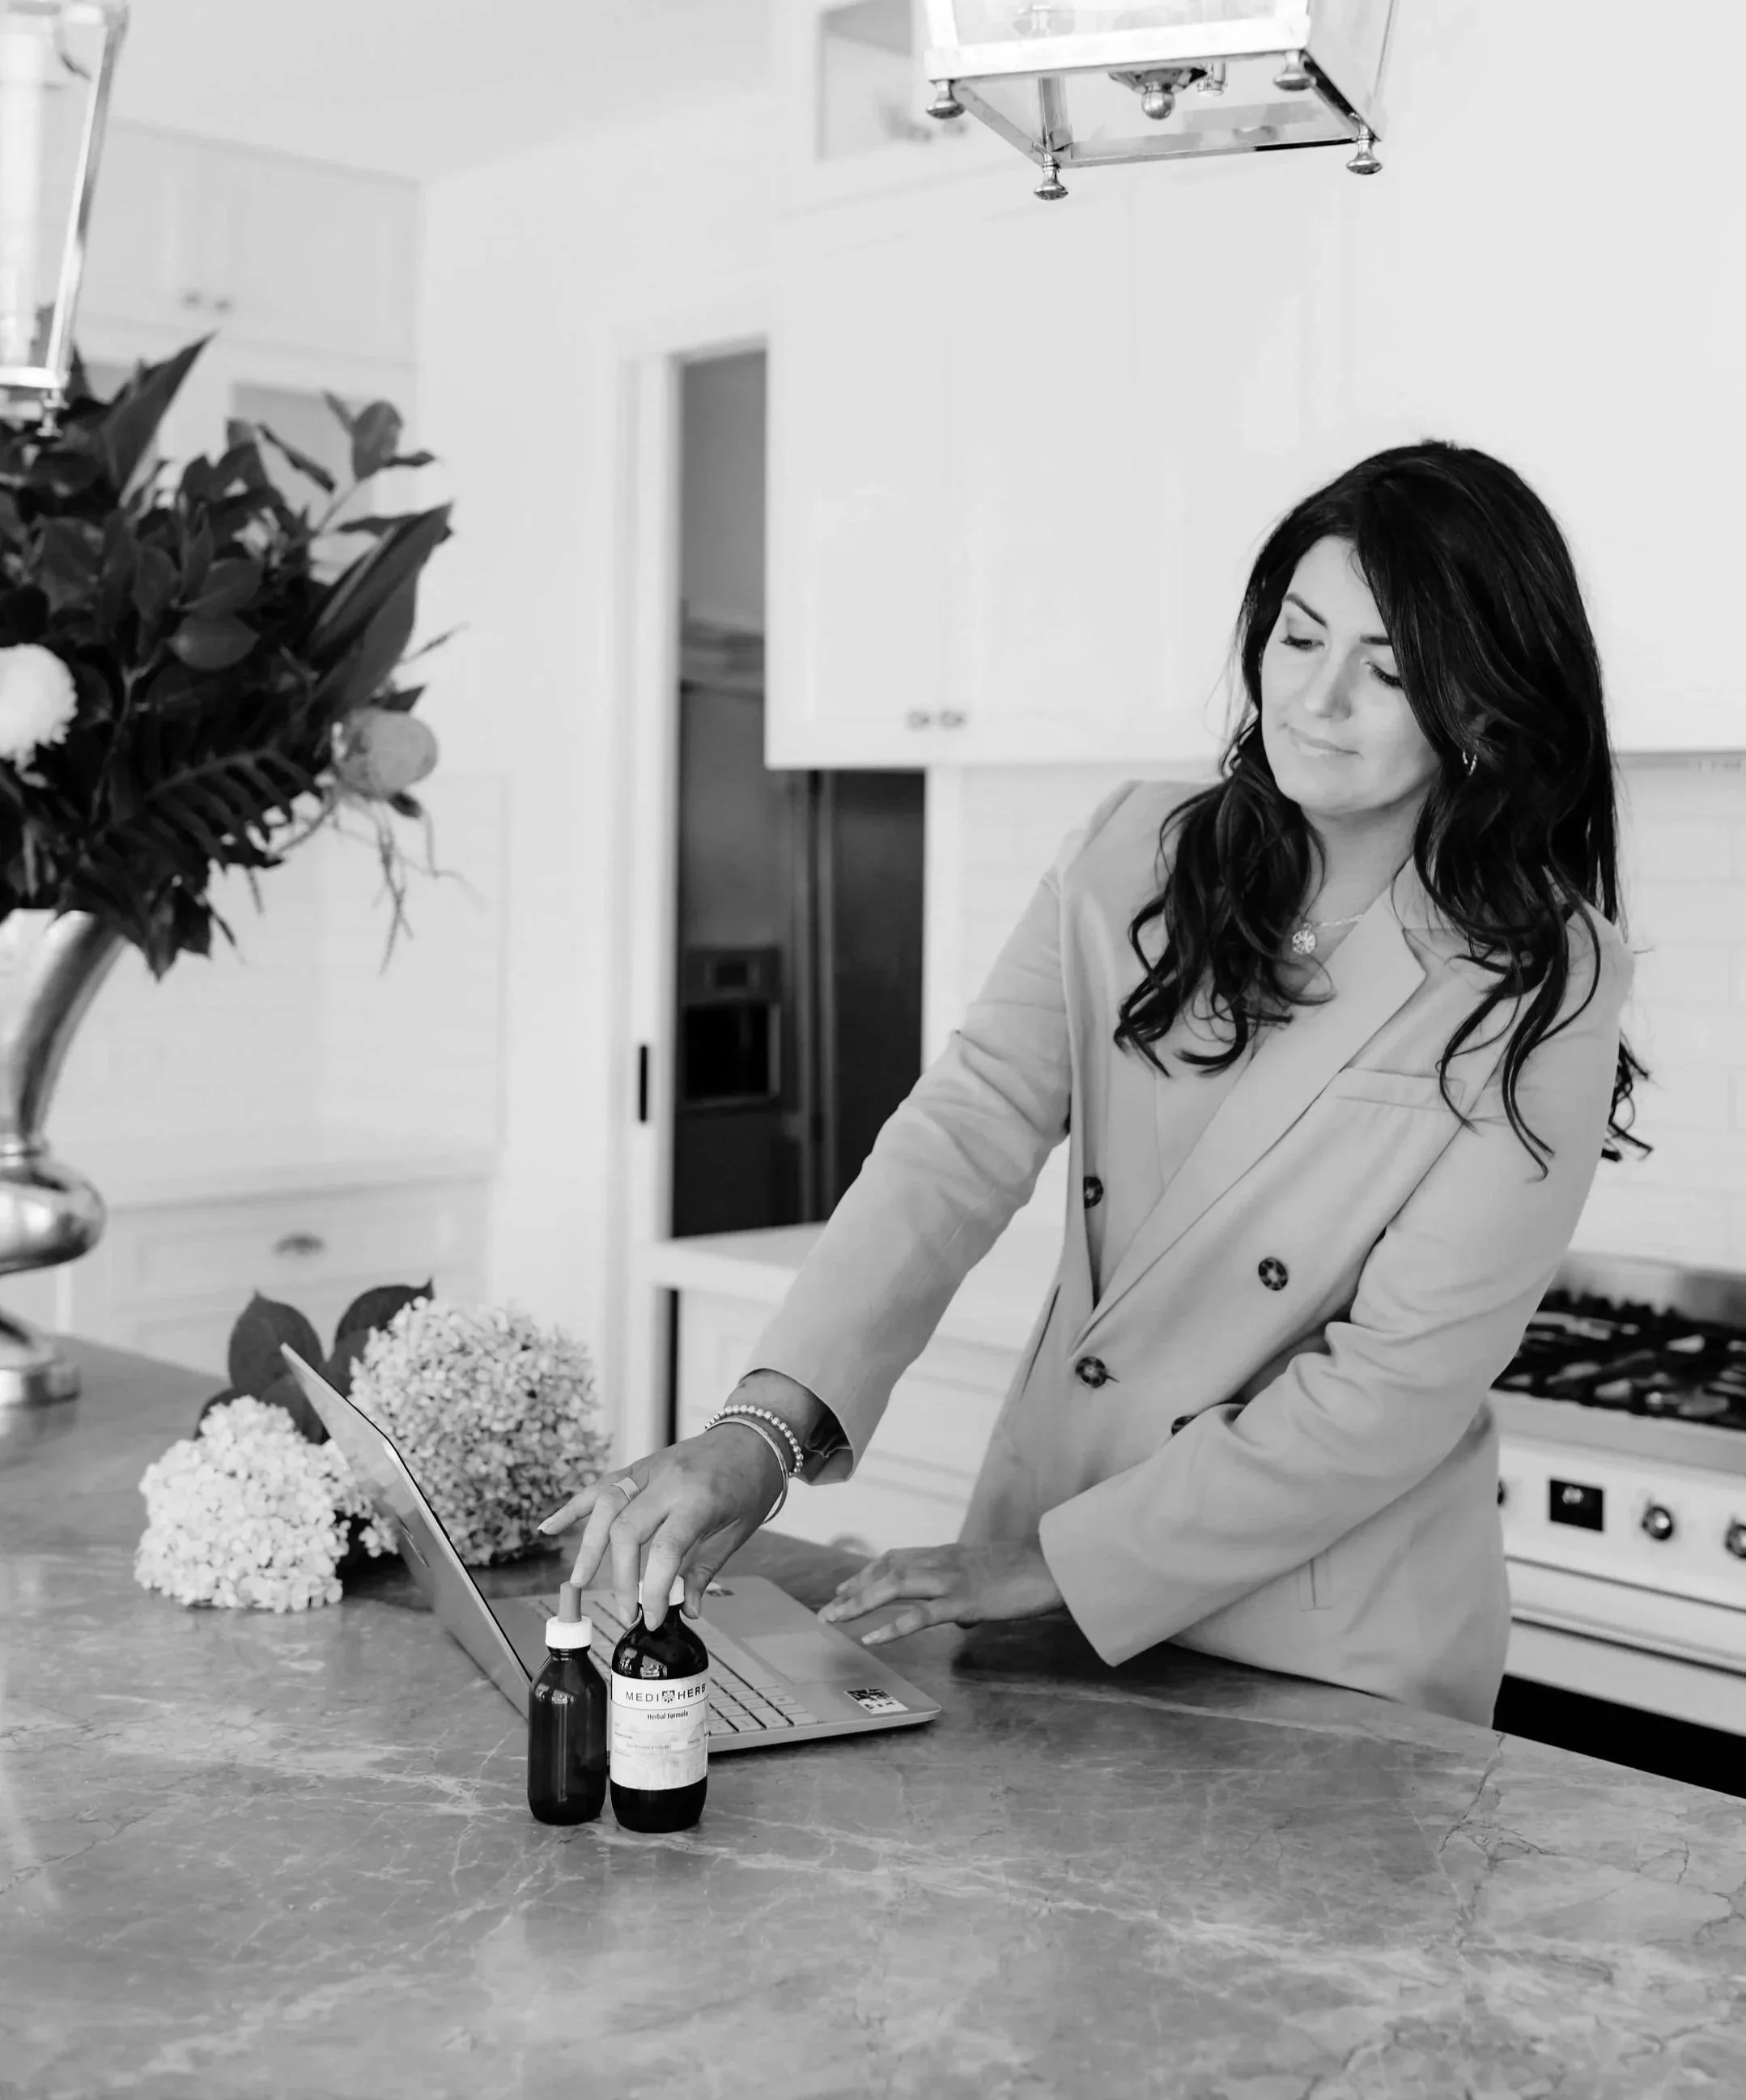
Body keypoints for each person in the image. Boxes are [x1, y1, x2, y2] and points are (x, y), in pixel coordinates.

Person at [543, 441, 1649, 1728]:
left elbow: (1393, 1388)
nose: (1318, 699)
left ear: (1483, 707)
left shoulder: (1541, 977)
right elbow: (961, 1136)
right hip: (1044, 1565)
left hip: (1320, 1636)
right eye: (1299, 639)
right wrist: (763, 1432)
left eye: (1389, 670)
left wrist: (1048, 1565)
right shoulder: (1137, 854)